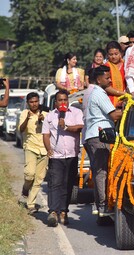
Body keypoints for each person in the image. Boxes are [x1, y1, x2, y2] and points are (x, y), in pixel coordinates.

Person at [83, 65, 122, 217]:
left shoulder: (97, 92)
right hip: (100, 137)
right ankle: (103, 206)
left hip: (95, 136)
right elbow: (114, 116)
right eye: (107, 78)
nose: (110, 80)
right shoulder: (99, 94)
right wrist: (128, 109)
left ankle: (100, 205)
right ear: (99, 80)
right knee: (102, 172)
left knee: (100, 171)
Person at [42, 90, 84, 227]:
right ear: (55, 102)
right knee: (55, 183)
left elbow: (80, 127)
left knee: (68, 184)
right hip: (56, 156)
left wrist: (65, 126)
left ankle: (63, 211)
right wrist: (48, 148)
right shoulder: (49, 116)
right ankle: (53, 212)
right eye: (60, 100)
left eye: (65, 100)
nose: (63, 103)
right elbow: (46, 135)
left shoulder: (76, 113)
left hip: (71, 155)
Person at [18, 92, 49, 214]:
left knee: (39, 179)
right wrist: (28, 118)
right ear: (28, 103)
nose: (34, 104)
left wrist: (44, 120)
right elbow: (21, 129)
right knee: (30, 174)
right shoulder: (25, 113)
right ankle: (25, 188)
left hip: (44, 149)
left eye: (36, 101)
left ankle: (30, 204)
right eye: (31, 102)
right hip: (30, 147)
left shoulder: (46, 114)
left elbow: (53, 130)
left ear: (39, 102)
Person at [105, 41, 126, 106]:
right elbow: (106, 87)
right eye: (111, 54)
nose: (113, 57)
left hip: (126, 99)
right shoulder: (106, 66)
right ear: (107, 55)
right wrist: (123, 93)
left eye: (116, 54)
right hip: (111, 101)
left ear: (120, 53)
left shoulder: (126, 65)